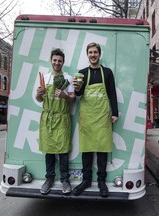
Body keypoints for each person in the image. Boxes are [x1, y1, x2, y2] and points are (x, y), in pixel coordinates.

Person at [72, 42, 119, 197]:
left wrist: (115, 113)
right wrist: (77, 88)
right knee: (86, 150)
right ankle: (86, 181)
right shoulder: (82, 73)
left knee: (102, 150)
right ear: (87, 55)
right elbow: (78, 95)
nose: (93, 55)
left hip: (103, 116)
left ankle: (101, 182)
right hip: (87, 117)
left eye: (95, 52)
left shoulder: (107, 73)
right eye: (90, 52)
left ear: (99, 54)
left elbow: (112, 93)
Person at [36, 48, 75, 194]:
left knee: (63, 151)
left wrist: (65, 95)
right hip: (48, 118)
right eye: (54, 60)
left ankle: (65, 180)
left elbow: (73, 98)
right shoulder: (44, 78)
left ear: (63, 62)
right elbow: (39, 99)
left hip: (62, 117)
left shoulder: (68, 78)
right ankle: (49, 179)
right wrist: (39, 94)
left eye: (59, 60)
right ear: (51, 61)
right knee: (49, 151)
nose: (57, 63)